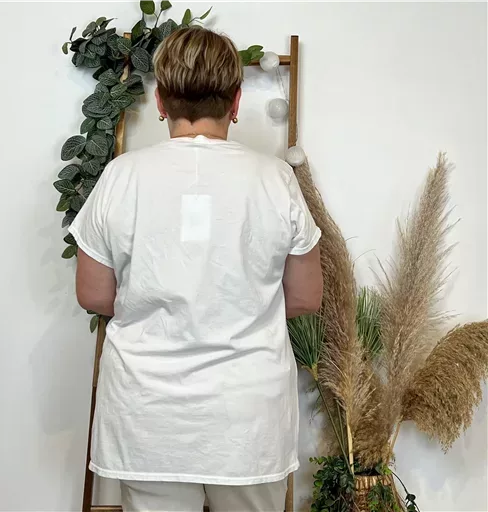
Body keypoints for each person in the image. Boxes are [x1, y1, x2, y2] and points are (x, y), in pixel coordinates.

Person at [69, 26, 323, 512]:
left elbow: (94, 294)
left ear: (161, 101)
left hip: (148, 414)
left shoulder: (121, 176)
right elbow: (306, 297)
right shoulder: (276, 179)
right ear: (236, 101)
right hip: (247, 417)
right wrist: (234, 304)